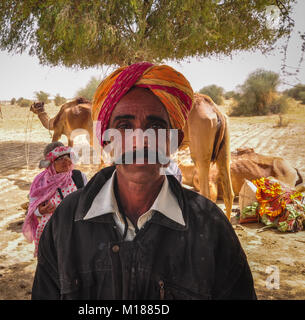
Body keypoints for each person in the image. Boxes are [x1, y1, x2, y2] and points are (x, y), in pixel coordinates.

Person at [31, 62, 257, 299]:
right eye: (125, 127)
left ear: (173, 141)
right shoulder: (65, 222)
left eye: (155, 127)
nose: (140, 141)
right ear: (106, 140)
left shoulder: (212, 229)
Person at [22, 141, 87, 257]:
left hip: (79, 231)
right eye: (59, 159)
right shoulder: (41, 183)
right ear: (50, 164)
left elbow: (88, 200)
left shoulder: (79, 176)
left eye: (67, 156)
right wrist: (41, 210)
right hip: (53, 234)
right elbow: (33, 208)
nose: (66, 161)